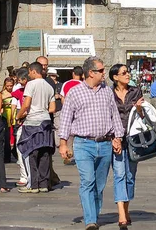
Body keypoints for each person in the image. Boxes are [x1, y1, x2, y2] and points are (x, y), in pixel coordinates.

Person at [58, 56, 125, 230]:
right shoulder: (75, 92)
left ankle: (94, 214)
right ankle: (90, 221)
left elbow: (114, 116)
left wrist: (117, 137)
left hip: (104, 144)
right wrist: (63, 143)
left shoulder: (107, 91)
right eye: (101, 70)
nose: (104, 73)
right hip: (83, 144)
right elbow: (65, 119)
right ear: (90, 73)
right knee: (87, 181)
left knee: (100, 185)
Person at [109, 63, 146, 228]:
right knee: (119, 175)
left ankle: (126, 208)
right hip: (116, 138)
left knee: (130, 177)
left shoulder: (135, 91)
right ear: (115, 77)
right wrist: (111, 137)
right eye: (124, 72)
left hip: (133, 140)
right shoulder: (108, 93)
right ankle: (121, 215)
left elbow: (144, 117)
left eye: (128, 72)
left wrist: (139, 109)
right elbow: (106, 116)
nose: (128, 74)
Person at [16, 62, 56, 193]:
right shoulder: (49, 87)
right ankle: (44, 184)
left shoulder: (30, 84)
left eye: (29, 72)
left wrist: (18, 115)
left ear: (33, 71)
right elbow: (52, 108)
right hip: (45, 121)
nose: (28, 74)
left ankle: (34, 184)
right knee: (44, 153)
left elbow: (26, 104)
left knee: (31, 152)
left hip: (32, 122)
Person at [36, 55, 61, 186]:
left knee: (47, 151)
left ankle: (48, 177)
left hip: (46, 120)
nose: (44, 67)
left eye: (46, 65)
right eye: (42, 65)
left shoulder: (49, 82)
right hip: (34, 120)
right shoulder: (33, 80)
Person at [13, 68, 30, 187]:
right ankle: (25, 175)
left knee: (22, 149)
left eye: (20, 80)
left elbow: (25, 107)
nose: (19, 82)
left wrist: (17, 116)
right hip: (27, 123)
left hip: (27, 122)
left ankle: (25, 176)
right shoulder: (19, 91)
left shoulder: (30, 89)